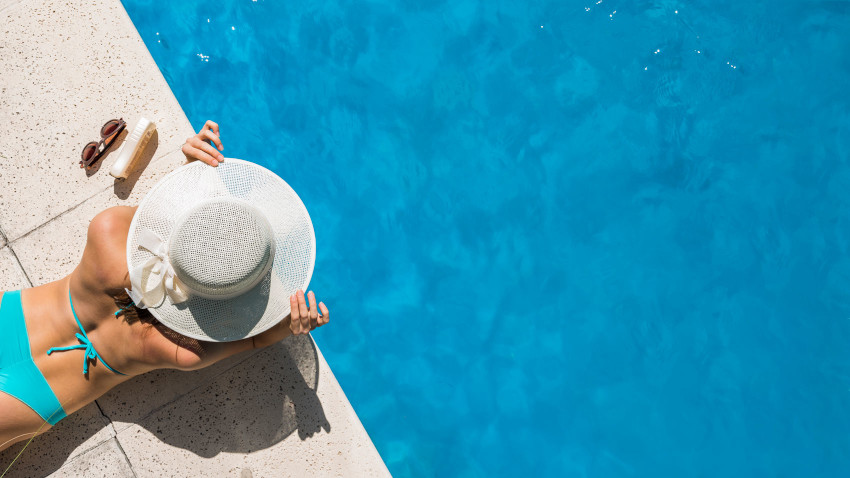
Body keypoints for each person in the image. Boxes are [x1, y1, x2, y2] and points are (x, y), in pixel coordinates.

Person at [0, 121, 329, 452]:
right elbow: (256, 339)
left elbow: (158, 218)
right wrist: (291, 324)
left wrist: (189, 169)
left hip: (14, 316)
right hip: (35, 395)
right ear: (228, 295)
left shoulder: (109, 231)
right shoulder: (186, 350)